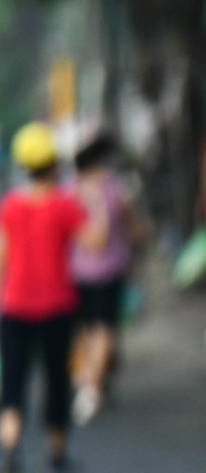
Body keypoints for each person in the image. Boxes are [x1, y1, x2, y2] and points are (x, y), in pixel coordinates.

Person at [0, 122, 100, 473]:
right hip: (57, 306)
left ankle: (11, 445)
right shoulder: (64, 205)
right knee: (56, 379)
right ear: (53, 165)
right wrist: (95, 204)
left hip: (15, 307)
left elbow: (2, 259)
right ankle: (56, 451)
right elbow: (94, 242)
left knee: (12, 381)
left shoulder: (9, 207)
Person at [69, 132, 142, 425]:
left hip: (75, 271)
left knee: (86, 328)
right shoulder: (113, 190)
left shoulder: (69, 191)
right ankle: (91, 385)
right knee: (105, 329)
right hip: (108, 272)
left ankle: (87, 378)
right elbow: (132, 227)